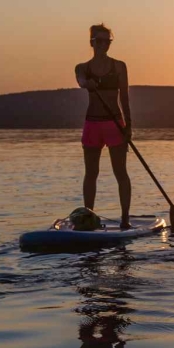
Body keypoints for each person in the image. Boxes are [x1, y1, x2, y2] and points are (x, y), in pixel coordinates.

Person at [75, 24, 132, 228]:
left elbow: (125, 99)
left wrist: (128, 127)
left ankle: (125, 220)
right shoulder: (82, 68)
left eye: (107, 41)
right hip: (92, 124)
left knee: (120, 173)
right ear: (92, 43)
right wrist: (86, 83)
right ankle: (88, 219)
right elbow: (81, 80)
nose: (103, 45)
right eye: (99, 41)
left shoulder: (119, 67)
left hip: (114, 124)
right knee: (91, 174)